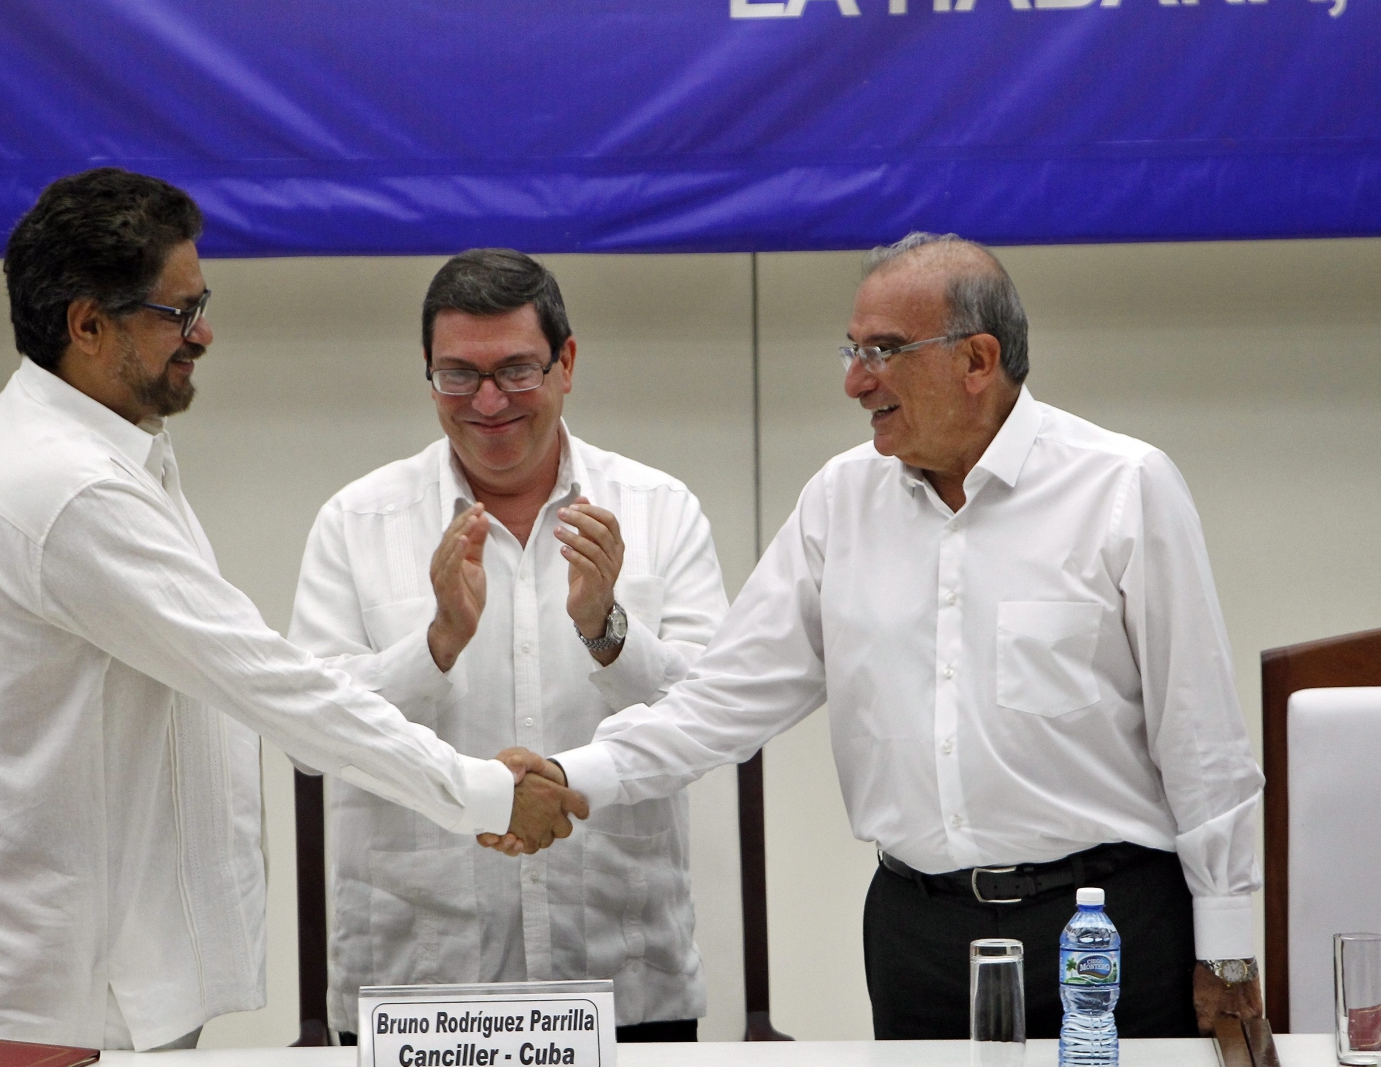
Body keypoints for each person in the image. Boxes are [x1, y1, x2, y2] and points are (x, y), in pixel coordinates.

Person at [536, 232, 1265, 1039]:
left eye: (882, 351)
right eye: (852, 350)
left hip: (1104, 925)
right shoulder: (840, 502)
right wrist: (572, 776)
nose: (855, 381)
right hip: (917, 934)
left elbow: (1200, 738)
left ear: (977, 360)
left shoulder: (1123, 487)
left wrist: (1229, 950)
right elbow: (722, 701)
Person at [0, 171, 585, 1053]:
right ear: (87, 325)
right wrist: (485, 792)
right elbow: (270, 684)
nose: (204, 332)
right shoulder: (71, 486)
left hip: (109, 951)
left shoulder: (102, 442)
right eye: (176, 312)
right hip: (69, 982)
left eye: (201, 302)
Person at [290, 248, 727, 1043]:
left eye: (516, 371)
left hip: (624, 984)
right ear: (427, 373)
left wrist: (607, 629)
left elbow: (712, 718)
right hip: (419, 993)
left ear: (566, 362)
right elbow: (309, 742)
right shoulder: (356, 523)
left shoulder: (660, 509)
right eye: (458, 374)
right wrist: (436, 645)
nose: (487, 402)